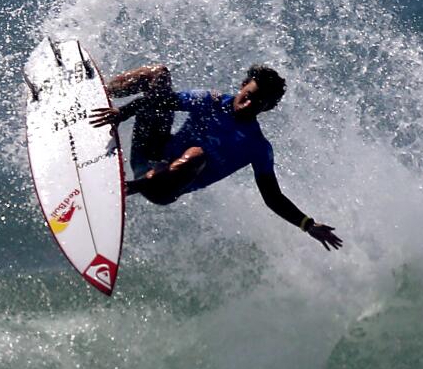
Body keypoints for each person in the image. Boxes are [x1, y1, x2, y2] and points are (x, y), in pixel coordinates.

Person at [89, 64, 343, 250]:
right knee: (158, 74)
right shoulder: (210, 101)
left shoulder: (257, 146)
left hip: (162, 188)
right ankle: (99, 93)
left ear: (268, 108)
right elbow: (160, 102)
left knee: (197, 155)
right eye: (248, 96)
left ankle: (125, 189)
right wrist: (122, 113)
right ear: (243, 85)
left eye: (258, 103)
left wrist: (307, 224)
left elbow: (272, 196)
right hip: (150, 152)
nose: (248, 104)